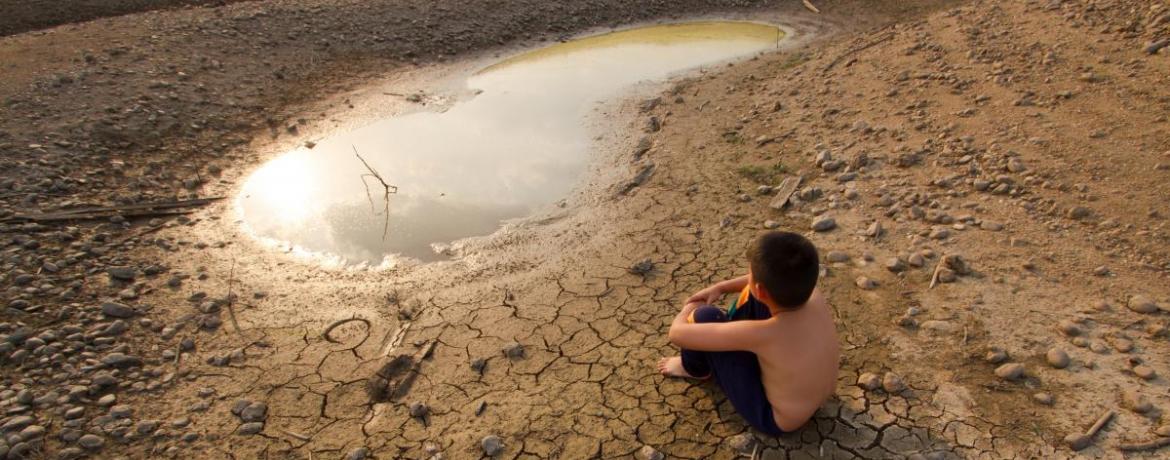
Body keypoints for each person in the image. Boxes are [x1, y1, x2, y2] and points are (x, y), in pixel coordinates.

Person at [658, 231, 839, 435]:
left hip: (775, 418)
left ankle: (694, 368)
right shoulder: (812, 294)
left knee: (704, 315)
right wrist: (721, 288)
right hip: (815, 399)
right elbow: (761, 283)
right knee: (757, 295)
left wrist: (689, 308)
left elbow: (677, 333)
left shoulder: (764, 334)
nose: (748, 277)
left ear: (761, 289)